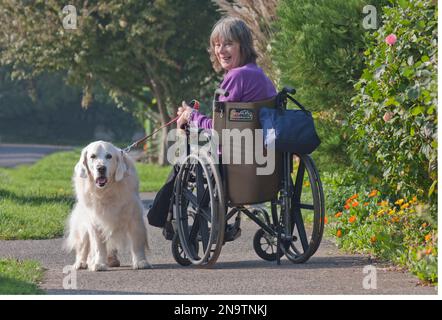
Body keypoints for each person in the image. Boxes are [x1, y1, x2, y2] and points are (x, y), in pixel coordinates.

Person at [147, 16, 277, 240]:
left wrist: (191, 116)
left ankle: (161, 218)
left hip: (232, 163)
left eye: (228, 44)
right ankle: (163, 218)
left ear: (242, 46)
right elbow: (228, 122)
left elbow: (218, 128)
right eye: (217, 44)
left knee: (183, 163)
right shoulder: (259, 75)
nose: (221, 50)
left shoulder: (236, 76)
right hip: (264, 163)